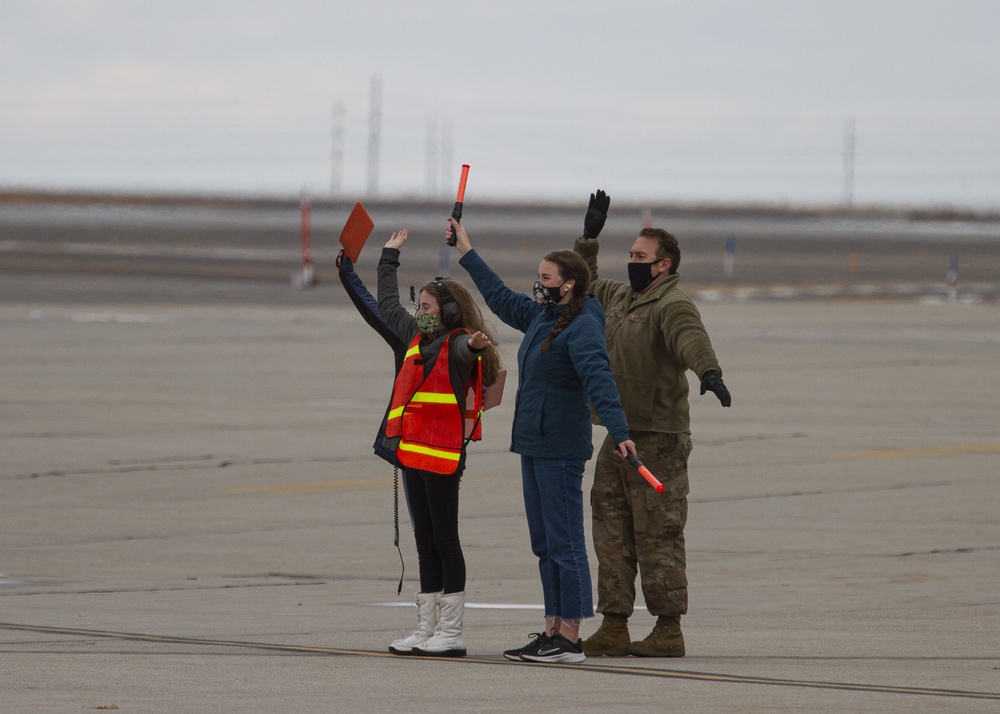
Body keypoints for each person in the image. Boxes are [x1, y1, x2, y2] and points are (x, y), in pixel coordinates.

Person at [447, 217, 637, 664]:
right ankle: (551, 628)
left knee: (565, 541)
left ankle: (570, 637)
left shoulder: (583, 324)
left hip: (560, 448)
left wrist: (620, 430)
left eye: (546, 278)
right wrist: (466, 250)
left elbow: (600, 378)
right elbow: (498, 297)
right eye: (538, 276)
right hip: (533, 443)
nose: (539, 283)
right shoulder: (543, 315)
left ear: (569, 285)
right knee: (544, 542)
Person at [573, 190, 732, 658]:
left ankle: (668, 628)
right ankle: (615, 624)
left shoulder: (671, 304)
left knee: (658, 531)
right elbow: (582, 285)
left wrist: (709, 372)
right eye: (631, 255)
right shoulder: (620, 296)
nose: (632, 262)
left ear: (663, 265)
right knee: (610, 529)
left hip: (659, 439)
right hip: (621, 436)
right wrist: (588, 238)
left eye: (640, 256)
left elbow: (691, 339)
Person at [374, 229, 502, 658]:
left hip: (444, 456)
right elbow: (387, 305)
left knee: (445, 538)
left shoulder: (457, 344)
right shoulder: (416, 336)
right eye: (420, 307)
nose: (420, 312)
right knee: (423, 538)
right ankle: (426, 627)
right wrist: (388, 257)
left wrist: (476, 345)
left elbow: (468, 351)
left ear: (448, 311)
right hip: (413, 454)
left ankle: (452, 631)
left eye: (427, 307)